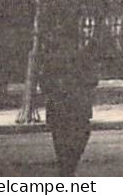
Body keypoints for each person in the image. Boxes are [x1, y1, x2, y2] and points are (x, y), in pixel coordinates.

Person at [39, 27, 98, 176]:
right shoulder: (81, 58)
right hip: (75, 108)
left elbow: (44, 84)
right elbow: (93, 80)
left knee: (63, 141)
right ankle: (68, 169)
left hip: (62, 107)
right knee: (78, 137)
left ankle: (66, 170)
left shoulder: (52, 59)